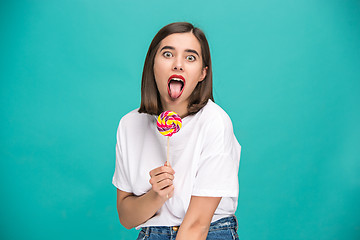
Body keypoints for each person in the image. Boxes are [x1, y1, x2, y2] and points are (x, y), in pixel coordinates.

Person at [112, 22, 241, 240]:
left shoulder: (215, 121)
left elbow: (198, 226)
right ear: (153, 63)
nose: (178, 65)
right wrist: (156, 195)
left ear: (202, 73)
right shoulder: (129, 124)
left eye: (190, 57)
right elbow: (127, 218)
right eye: (168, 54)